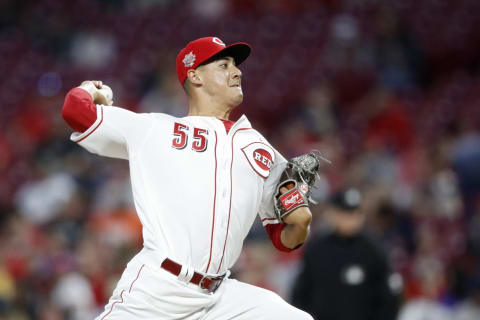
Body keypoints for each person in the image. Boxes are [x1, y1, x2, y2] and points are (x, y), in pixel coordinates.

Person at [61, 36, 314, 319]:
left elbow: (284, 239)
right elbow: (75, 111)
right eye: (223, 64)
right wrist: (90, 89)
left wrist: (300, 221)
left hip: (219, 296)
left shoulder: (260, 148)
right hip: (158, 288)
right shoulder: (156, 130)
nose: (237, 71)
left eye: (235, 65)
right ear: (194, 75)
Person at [291, 187, 400, 320]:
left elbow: (388, 297)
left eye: (355, 213)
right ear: (332, 214)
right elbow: (301, 293)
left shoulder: (374, 249)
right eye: (345, 213)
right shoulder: (316, 249)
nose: (350, 219)